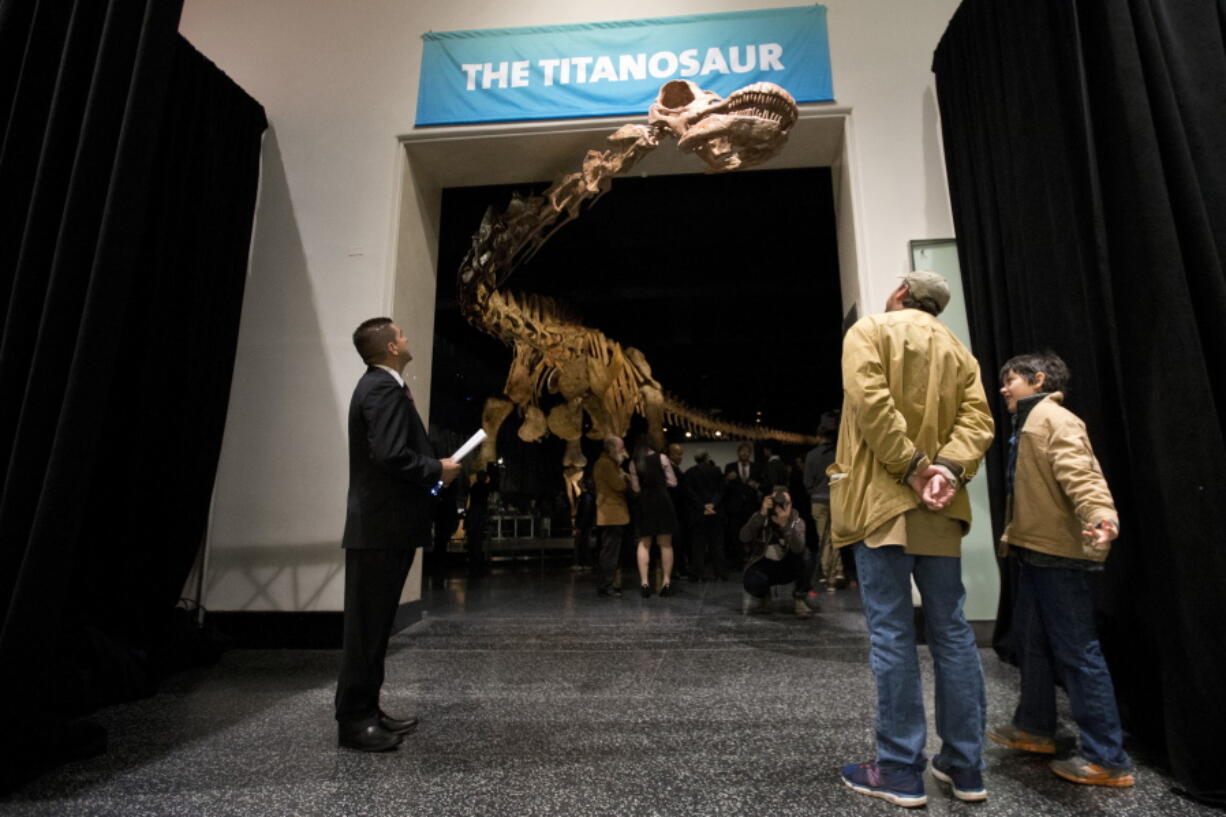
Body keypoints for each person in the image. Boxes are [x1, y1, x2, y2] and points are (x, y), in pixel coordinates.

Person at [831, 272, 995, 806]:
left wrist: (912, 468)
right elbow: (979, 422)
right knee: (953, 633)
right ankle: (965, 767)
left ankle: (899, 769)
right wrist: (944, 471)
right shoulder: (960, 353)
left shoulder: (868, 332)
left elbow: (871, 404)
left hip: (883, 503)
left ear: (901, 290)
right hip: (940, 510)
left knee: (892, 634)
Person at [988, 352, 1133, 787]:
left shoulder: (1056, 420)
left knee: (1078, 653)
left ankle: (1107, 757)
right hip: (1035, 550)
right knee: (1032, 643)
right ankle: (1035, 728)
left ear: (1036, 380)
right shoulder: (1030, 421)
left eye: (1010, 380)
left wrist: (1101, 515)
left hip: (1057, 554)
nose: (1003, 388)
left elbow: (1082, 474)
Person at [336, 317, 461, 752]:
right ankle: (354, 722)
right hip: (380, 526)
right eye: (401, 335)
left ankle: (368, 712)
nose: (406, 339)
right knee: (367, 629)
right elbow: (390, 454)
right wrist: (436, 470)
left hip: (385, 525)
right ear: (391, 348)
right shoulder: (383, 388)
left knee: (376, 627)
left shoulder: (383, 387)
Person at [740, 488, 810, 617]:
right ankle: (764, 595)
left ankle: (800, 598)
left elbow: (799, 548)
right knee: (751, 580)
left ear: (791, 504)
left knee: (806, 555)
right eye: (776, 501)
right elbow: (744, 537)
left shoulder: (796, 520)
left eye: (786, 503)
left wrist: (785, 526)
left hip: (789, 566)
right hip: (766, 566)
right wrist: (761, 515)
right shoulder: (761, 517)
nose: (782, 505)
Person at [628, 434, 679, 597]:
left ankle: (644, 583)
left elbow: (635, 489)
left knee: (644, 543)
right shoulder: (662, 458)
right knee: (665, 543)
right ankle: (666, 582)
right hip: (662, 501)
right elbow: (673, 482)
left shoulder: (633, 462)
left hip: (645, 503)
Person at [804, 413, 840, 591]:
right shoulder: (838, 453)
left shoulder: (811, 455)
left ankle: (830, 576)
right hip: (837, 499)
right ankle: (838, 570)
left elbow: (807, 483)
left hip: (819, 500)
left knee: (824, 540)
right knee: (837, 537)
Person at [593, 435, 630, 598]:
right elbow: (619, 485)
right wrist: (623, 476)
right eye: (620, 447)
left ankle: (607, 584)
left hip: (612, 514)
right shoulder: (606, 464)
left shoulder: (607, 463)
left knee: (609, 550)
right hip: (611, 515)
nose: (623, 451)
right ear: (612, 448)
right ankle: (606, 585)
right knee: (610, 551)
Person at [684, 451, 727, 581]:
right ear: (707, 457)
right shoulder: (717, 470)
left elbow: (690, 493)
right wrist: (712, 504)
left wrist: (703, 506)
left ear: (696, 459)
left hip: (698, 513)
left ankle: (698, 574)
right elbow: (722, 490)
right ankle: (720, 573)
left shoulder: (690, 473)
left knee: (698, 546)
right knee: (717, 544)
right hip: (716, 512)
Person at [665, 442, 690, 581]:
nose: (681, 457)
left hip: (677, 511)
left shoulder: (674, 469)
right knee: (675, 542)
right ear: (669, 454)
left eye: (681, 454)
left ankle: (678, 569)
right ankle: (676, 570)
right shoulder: (670, 470)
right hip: (674, 511)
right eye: (678, 454)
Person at [466, 470, 492, 575]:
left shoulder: (474, 487)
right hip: (479, 516)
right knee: (477, 541)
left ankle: (472, 564)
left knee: (472, 541)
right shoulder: (484, 488)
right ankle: (477, 565)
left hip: (472, 515)